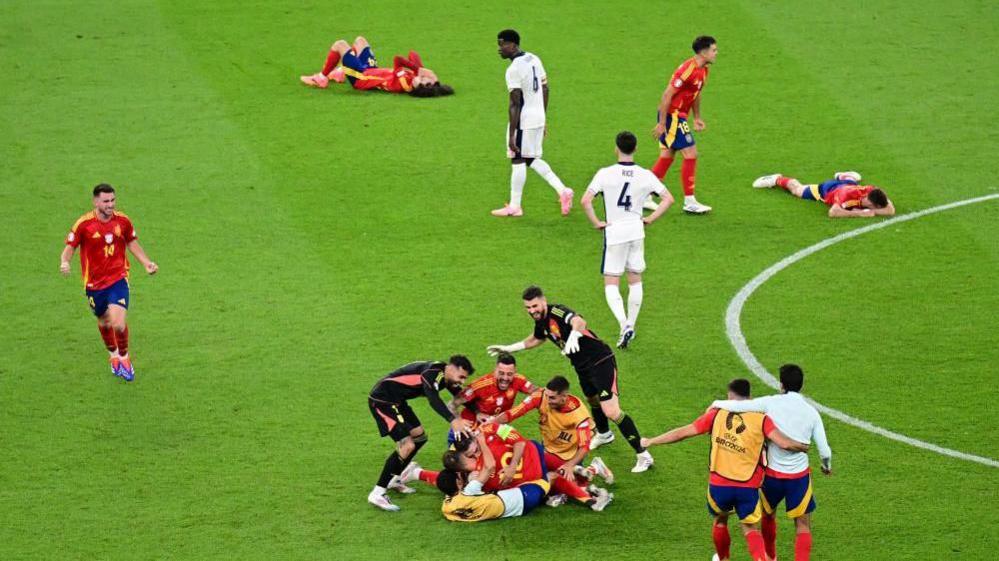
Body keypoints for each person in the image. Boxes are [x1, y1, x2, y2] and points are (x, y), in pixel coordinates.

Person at [487, 286, 654, 472]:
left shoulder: (556, 311)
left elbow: (579, 321)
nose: (531, 310)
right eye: (527, 307)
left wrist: (574, 334)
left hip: (600, 361)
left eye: (534, 306)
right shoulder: (541, 321)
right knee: (592, 399)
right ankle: (605, 434)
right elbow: (536, 338)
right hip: (582, 366)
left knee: (611, 410)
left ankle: (643, 453)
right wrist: (509, 349)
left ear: (543, 301)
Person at [642, 379, 809, 561]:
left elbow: (682, 433)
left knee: (720, 521)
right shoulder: (762, 419)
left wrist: (651, 441)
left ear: (729, 396)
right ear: (750, 397)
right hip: (748, 486)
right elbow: (783, 442)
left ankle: (723, 559)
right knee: (750, 529)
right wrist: (801, 446)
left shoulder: (716, 415)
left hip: (719, 484)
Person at [710, 364, 833, 561]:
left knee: (768, 517)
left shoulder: (771, 403)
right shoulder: (812, 413)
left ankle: (771, 556)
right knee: (802, 526)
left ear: (781, 384)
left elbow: (741, 405)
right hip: (798, 478)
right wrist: (826, 467)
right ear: (802, 385)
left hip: (772, 477)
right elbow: (825, 451)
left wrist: (717, 402)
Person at [580, 131, 674, 348]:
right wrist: (650, 218)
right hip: (636, 230)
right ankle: (632, 322)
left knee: (611, 280)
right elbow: (669, 199)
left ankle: (624, 324)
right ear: (636, 149)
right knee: (635, 278)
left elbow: (586, 201)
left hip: (615, 232)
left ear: (616, 148)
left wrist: (596, 222)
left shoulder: (605, 173)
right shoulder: (645, 175)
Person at [60, 184, 158, 382]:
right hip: (94, 285)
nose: (110, 205)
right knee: (104, 321)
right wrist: (64, 261)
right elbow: (70, 246)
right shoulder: (84, 224)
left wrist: (146, 262)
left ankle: (124, 356)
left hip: (118, 279)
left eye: (113, 200)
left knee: (119, 324)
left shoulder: (122, 221)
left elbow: (131, 241)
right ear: (96, 201)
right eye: (106, 201)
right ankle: (113, 354)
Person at [366, 356, 474, 511]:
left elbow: (461, 395)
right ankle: (377, 493)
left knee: (420, 437)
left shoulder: (446, 377)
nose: (462, 381)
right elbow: (433, 399)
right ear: (451, 368)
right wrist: (453, 420)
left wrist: (477, 411)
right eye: (461, 376)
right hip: (383, 401)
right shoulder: (431, 373)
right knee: (407, 445)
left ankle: (395, 478)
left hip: (398, 402)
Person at [488, 376, 615, 501]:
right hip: (548, 447)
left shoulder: (579, 415)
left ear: (564, 396)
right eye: (547, 396)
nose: (548, 400)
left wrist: (570, 465)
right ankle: (592, 469)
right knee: (543, 476)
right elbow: (514, 413)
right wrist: (491, 424)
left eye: (552, 398)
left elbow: (584, 447)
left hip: (569, 455)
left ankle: (593, 469)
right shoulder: (541, 396)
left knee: (569, 486)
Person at [491, 29, 574, 217]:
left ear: (513, 45)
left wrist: (512, 134)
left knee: (517, 158)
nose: (499, 49)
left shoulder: (513, 70)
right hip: (537, 117)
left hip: (524, 120)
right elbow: (545, 89)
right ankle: (562, 191)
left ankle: (515, 206)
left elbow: (515, 103)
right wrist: (543, 118)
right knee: (531, 158)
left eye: (502, 44)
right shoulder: (534, 58)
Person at [441, 422, 612, 512]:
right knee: (557, 476)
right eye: (465, 449)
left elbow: (519, 441)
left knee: (553, 479)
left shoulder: (490, 430)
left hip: (532, 459)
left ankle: (588, 494)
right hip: (529, 471)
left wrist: (512, 466)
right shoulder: (469, 460)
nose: (471, 449)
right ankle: (592, 471)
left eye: (470, 443)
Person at [650, 35, 718, 214]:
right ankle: (689, 201)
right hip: (671, 116)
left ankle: (645, 196)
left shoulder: (704, 70)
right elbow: (667, 95)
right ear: (703, 52)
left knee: (667, 155)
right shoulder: (688, 70)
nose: (716, 53)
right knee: (691, 154)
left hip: (678, 116)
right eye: (713, 50)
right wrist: (662, 123)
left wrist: (696, 117)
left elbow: (696, 93)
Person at [300, 36, 453, 97]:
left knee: (340, 45)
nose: (425, 77)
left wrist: (418, 69)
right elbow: (413, 54)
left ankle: (321, 78)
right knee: (360, 41)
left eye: (425, 82)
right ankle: (342, 71)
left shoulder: (404, 83)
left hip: (361, 77)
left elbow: (398, 59)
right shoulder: (414, 79)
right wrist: (425, 71)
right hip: (370, 69)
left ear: (419, 88)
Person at [447, 352, 537, 442]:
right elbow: (451, 405)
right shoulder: (480, 385)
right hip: (469, 433)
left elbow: (539, 393)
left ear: (515, 372)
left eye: (509, 374)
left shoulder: (518, 380)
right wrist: (458, 421)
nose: (505, 378)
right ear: (495, 371)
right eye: (501, 373)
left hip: (492, 430)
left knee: (518, 444)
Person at [752, 171, 895, 218]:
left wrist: (871, 211)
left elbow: (890, 210)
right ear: (870, 202)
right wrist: (860, 214)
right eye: (874, 207)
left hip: (849, 186)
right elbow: (833, 212)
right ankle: (777, 179)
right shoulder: (846, 197)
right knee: (798, 190)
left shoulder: (873, 191)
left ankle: (844, 176)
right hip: (827, 190)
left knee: (850, 183)